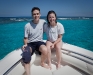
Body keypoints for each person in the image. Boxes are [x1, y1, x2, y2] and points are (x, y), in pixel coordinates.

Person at [22, 7, 49, 75]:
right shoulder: (27, 25)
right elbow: (25, 38)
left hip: (39, 42)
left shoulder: (43, 22)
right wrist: (25, 45)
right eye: (34, 14)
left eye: (37, 14)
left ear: (40, 14)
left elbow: (50, 27)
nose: (36, 15)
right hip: (30, 43)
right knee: (26, 53)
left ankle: (42, 63)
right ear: (32, 15)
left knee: (45, 50)